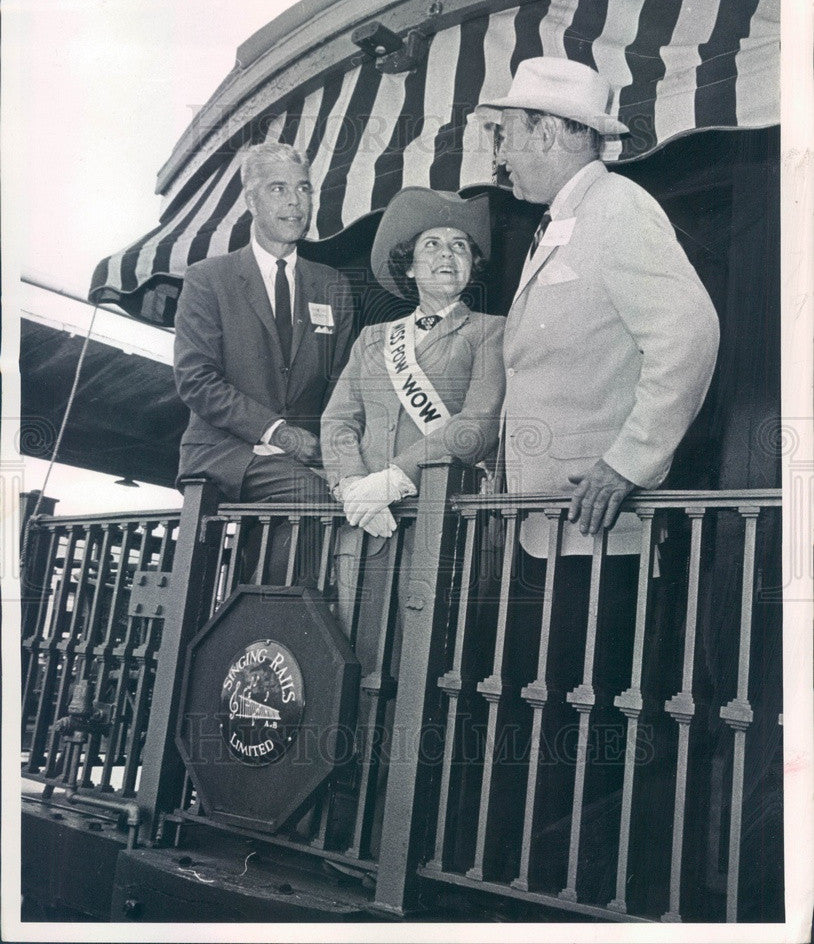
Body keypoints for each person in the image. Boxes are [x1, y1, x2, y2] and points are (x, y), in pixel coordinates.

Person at [471, 56, 721, 900]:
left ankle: (576, 894)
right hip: (548, 528)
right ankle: (534, 883)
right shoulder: (564, 220)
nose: (501, 155)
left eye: (507, 135)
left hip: (597, 529)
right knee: (550, 712)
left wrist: (629, 461)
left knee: (584, 717)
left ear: (550, 131)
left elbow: (688, 334)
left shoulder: (618, 209)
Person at [321, 187, 505, 664]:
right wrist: (352, 488)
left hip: (441, 517)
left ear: (472, 265)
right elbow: (339, 418)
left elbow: (477, 425)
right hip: (366, 519)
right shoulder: (373, 338)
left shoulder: (491, 330)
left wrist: (394, 478)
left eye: (460, 245)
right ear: (408, 265)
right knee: (355, 652)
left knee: (426, 661)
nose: (447, 254)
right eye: (433, 245)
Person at [173, 142, 354, 579]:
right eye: (278, 189)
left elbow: (340, 387)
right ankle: (270, 630)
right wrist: (279, 433)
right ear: (251, 201)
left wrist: (336, 451)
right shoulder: (207, 278)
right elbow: (196, 380)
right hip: (225, 450)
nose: (295, 202)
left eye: (304, 189)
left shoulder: (334, 285)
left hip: (304, 459)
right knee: (311, 500)